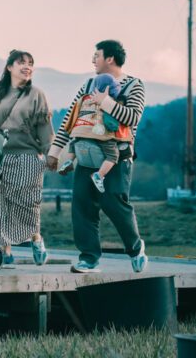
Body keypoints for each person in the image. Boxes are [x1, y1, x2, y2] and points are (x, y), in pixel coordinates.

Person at [46, 39, 148, 274]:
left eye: (97, 55)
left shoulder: (134, 85)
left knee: (114, 203)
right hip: (85, 155)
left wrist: (106, 102)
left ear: (110, 58)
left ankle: (135, 248)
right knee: (82, 206)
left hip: (116, 158)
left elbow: (133, 118)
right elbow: (70, 121)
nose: (93, 59)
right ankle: (89, 258)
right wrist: (56, 153)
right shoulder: (88, 84)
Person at [0, 49, 54, 266]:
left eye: (30, 62)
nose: (27, 66)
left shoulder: (36, 94)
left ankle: (36, 238)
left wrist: (52, 156)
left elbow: (45, 130)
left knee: (26, 203)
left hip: (27, 157)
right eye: (21, 62)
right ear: (9, 67)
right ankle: (5, 251)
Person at [57, 73, 131, 193]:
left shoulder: (85, 99)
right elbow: (111, 123)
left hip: (80, 132)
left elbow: (73, 115)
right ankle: (99, 175)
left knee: (74, 144)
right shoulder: (109, 101)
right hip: (99, 135)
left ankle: (69, 161)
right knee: (113, 156)